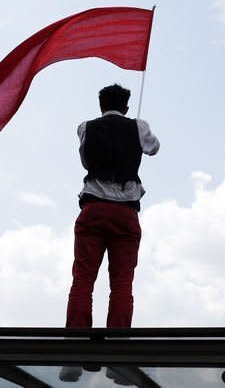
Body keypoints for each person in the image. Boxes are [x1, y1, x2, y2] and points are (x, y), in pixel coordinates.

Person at [66, 83, 159, 328]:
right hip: (125, 212)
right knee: (121, 283)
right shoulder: (138, 126)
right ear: (126, 107)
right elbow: (154, 148)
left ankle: (75, 344)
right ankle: (117, 350)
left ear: (101, 105)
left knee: (83, 279)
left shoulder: (86, 127)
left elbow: (86, 161)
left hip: (93, 207)